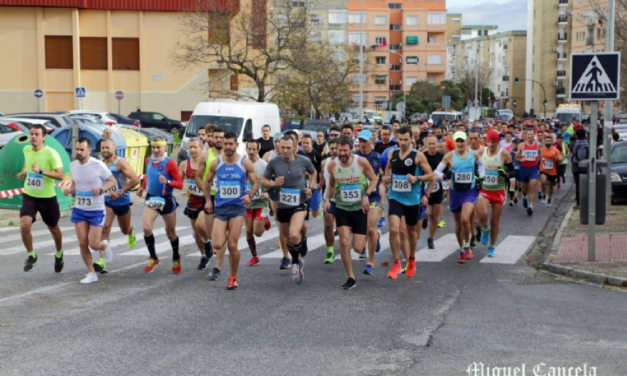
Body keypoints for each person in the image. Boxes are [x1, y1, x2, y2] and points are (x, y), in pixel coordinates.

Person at [203, 132, 259, 290]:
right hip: (220, 209)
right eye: (225, 144)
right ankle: (223, 233)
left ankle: (233, 277)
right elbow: (206, 182)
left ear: (236, 145)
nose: (227, 147)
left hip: (237, 209)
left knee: (233, 245)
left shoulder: (245, 163)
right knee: (218, 243)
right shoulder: (216, 163)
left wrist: (249, 195)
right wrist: (208, 200)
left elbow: (255, 183)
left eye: (230, 144)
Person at [261, 135, 317, 284]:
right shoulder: (274, 162)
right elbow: (264, 181)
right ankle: (296, 258)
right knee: (287, 239)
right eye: (282, 147)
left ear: (294, 147)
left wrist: (310, 187)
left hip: (300, 203)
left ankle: (295, 262)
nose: (285, 150)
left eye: (288, 147)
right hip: (283, 205)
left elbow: (314, 173)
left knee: (293, 235)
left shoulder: (303, 160)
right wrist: (273, 184)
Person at [324, 136, 378, 289]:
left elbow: (374, 179)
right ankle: (351, 277)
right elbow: (332, 185)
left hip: (359, 209)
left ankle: (374, 235)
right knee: (344, 242)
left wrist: (366, 195)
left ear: (351, 149)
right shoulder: (332, 165)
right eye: (339, 150)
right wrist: (328, 199)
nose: (341, 153)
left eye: (345, 150)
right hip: (342, 208)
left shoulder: (361, 162)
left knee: (358, 248)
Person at [382, 126, 434, 279]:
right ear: (396, 138)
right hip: (395, 196)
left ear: (412, 138)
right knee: (393, 229)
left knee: (411, 232)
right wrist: (386, 179)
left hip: (411, 200)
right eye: (400, 139)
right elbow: (388, 168)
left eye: (406, 139)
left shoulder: (418, 156)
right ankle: (397, 262)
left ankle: (411, 259)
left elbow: (431, 175)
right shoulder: (392, 153)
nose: (403, 142)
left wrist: (416, 178)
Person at [64, 138, 117, 283]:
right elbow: (76, 185)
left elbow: (112, 181)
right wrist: (69, 190)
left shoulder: (97, 165)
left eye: (82, 150)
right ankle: (91, 273)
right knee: (82, 242)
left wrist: (100, 190)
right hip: (80, 209)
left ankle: (104, 245)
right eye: (77, 149)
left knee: (93, 244)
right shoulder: (73, 165)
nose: (78, 152)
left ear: (89, 151)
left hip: (96, 209)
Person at [17, 124, 65, 273]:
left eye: (37, 134)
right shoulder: (26, 149)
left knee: (53, 228)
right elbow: (28, 161)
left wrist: (41, 171)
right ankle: (32, 255)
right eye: (32, 134)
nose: (33, 137)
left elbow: (60, 175)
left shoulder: (51, 153)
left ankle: (58, 254)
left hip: (47, 197)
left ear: (44, 137)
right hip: (30, 195)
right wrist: (23, 171)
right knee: (24, 225)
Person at [434, 131, 484, 264]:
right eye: (458, 141)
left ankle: (467, 246)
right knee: (458, 224)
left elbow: (482, 165)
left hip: (470, 191)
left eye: (462, 141)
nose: (460, 143)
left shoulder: (473, 154)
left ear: (466, 141)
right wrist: (445, 176)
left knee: (464, 219)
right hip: (455, 192)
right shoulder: (449, 155)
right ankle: (461, 249)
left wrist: (481, 178)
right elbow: (437, 172)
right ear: (454, 142)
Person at [137, 136, 184, 273]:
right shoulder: (148, 160)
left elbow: (180, 184)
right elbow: (148, 176)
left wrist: (168, 182)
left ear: (164, 147)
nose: (156, 150)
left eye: (159, 147)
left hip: (166, 199)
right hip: (151, 199)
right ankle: (153, 257)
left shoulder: (170, 163)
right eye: (154, 147)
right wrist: (142, 187)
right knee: (146, 228)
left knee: (170, 233)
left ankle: (176, 258)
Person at [476, 131, 515, 257]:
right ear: (486, 142)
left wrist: (508, 178)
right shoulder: (481, 152)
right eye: (489, 141)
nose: (491, 144)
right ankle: (485, 230)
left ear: (498, 142)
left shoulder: (504, 154)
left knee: (494, 221)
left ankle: (492, 246)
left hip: (498, 191)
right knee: (482, 214)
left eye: (493, 142)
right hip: (485, 189)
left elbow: (513, 172)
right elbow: (473, 166)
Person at [101, 138, 139, 265]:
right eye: (103, 148)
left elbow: (135, 180)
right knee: (105, 228)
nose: (105, 150)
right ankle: (102, 260)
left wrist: (119, 192)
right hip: (107, 200)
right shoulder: (100, 164)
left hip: (122, 201)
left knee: (124, 230)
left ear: (114, 148)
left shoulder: (120, 163)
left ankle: (130, 230)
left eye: (107, 147)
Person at [179, 137, 212, 270]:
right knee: (196, 232)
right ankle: (204, 255)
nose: (192, 150)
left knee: (200, 226)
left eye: (195, 147)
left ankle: (208, 243)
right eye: (190, 147)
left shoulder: (207, 162)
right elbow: (178, 182)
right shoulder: (183, 164)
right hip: (192, 201)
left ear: (201, 147)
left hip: (206, 200)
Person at [197, 126, 224, 279]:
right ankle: (209, 246)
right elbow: (198, 177)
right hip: (210, 198)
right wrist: (206, 192)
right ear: (212, 138)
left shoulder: (231, 157)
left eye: (221, 137)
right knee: (207, 231)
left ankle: (217, 267)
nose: (219, 140)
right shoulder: (206, 156)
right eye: (216, 137)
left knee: (221, 235)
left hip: (225, 199)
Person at [354, 130, 382, 274]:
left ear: (371, 141)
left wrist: (386, 179)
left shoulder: (377, 156)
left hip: (373, 197)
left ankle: (370, 263)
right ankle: (376, 237)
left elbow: (384, 173)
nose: (363, 144)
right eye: (361, 141)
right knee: (360, 232)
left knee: (370, 229)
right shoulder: (354, 157)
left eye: (365, 141)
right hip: (356, 198)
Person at [262, 133, 291, 268]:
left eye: (280, 142)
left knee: (296, 225)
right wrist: (268, 188)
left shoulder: (292, 156)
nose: (278, 145)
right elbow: (264, 176)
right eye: (276, 142)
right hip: (275, 190)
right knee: (279, 218)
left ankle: (296, 240)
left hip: (291, 192)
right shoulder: (269, 156)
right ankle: (285, 254)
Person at [243, 140, 271, 267]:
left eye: (254, 149)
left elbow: (272, 181)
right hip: (248, 202)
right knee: (248, 231)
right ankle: (254, 256)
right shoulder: (242, 164)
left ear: (258, 150)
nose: (251, 152)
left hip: (261, 201)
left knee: (257, 233)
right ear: (246, 149)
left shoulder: (264, 165)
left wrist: (268, 193)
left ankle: (265, 220)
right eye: (249, 149)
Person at [423, 135, 446, 249]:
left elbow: (446, 174)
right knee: (426, 212)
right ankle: (424, 218)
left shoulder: (442, 157)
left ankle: (430, 238)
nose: (432, 146)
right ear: (426, 145)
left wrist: (444, 178)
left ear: (437, 145)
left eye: (433, 144)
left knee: (435, 216)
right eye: (429, 144)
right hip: (424, 189)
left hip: (437, 189)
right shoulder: (422, 156)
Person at [321, 138, 339, 263]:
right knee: (328, 224)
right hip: (329, 198)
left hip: (346, 200)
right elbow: (322, 176)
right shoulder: (324, 162)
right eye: (331, 148)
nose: (334, 151)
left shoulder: (348, 162)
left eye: (336, 148)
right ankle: (330, 251)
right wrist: (320, 183)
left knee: (349, 227)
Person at [516, 128, 541, 216]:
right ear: (525, 135)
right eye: (528, 134)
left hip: (533, 169)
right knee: (525, 189)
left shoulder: (538, 144)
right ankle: (524, 196)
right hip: (523, 169)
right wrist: (520, 159)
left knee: (532, 186)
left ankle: (530, 207)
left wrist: (542, 160)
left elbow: (540, 155)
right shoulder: (521, 145)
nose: (530, 136)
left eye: (531, 134)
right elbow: (516, 157)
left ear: (534, 135)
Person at [298, 134, 323, 219]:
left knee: (315, 213)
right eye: (303, 143)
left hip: (314, 185)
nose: (305, 145)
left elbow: (323, 168)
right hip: (301, 184)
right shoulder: (298, 155)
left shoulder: (316, 155)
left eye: (307, 143)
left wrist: (321, 181)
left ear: (311, 144)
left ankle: (318, 208)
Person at [538, 133, 563, 207]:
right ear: (544, 141)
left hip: (552, 171)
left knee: (551, 186)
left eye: (549, 141)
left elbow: (561, 160)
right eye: (546, 141)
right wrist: (540, 159)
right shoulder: (541, 150)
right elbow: (538, 158)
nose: (548, 142)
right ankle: (544, 194)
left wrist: (554, 157)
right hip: (543, 169)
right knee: (543, 181)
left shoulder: (555, 150)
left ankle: (549, 198)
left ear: (552, 142)